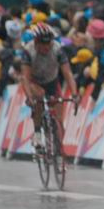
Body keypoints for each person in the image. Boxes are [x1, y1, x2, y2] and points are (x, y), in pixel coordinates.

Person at [20, 23, 79, 155]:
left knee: (59, 120)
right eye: (43, 43)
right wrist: (30, 97)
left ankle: (57, 149)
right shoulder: (28, 51)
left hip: (52, 81)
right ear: (36, 42)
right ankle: (37, 134)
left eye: (49, 43)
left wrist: (75, 94)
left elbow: (68, 74)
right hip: (34, 82)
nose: (47, 46)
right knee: (39, 96)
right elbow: (25, 78)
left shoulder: (57, 49)